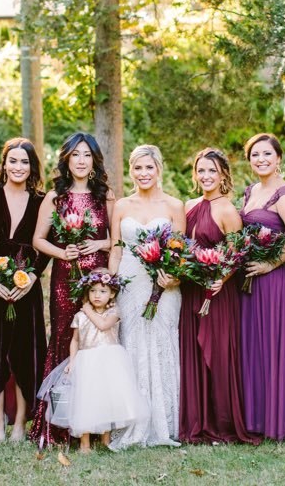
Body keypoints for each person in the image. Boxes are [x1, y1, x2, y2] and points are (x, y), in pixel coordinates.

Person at [29, 133, 113, 446]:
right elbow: (39, 239)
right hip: (66, 276)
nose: (81, 160)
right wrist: (62, 252)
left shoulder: (105, 195)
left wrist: (101, 242)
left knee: (97, 343)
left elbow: (116, 239)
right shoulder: (55, 197)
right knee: (67, 340)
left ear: (94, 160)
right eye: (75, 155)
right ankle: (58, 426)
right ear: (66, 159)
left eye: (87, 155)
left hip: (99, 278)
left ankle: (97, 425)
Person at [107, 145, 186, 450]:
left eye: (148, 168)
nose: (143, 174)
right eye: (138, 168)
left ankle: (166, 422)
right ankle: (132, 420)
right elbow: (116, 247)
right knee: (133, 344)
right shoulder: (122, 206)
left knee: (162, 343)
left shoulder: (175, 206)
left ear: (159, 169)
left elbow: (180, 250)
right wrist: (113, 285)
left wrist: (173, 275)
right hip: (130, 281)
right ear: (131, 171)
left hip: (163, 285)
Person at [0, 138, 50, 442]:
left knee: (23, 353)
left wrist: (32, 278)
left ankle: (20, 423)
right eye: (13, 161)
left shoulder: (42, 200)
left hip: (26, 288)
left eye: (25, 162)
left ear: (32, 167)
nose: (18, 167)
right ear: (4, 164)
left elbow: (43, 245)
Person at [179, 148, 259, 444]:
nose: (206, 176)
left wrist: (219, 279)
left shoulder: (227, 209)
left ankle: (222, 421)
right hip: (191, 290)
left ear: (223, 174)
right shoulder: (189, 205)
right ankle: (197, 420)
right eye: (201, 170)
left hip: (217, 293)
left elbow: (236, 254)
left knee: (218, 353)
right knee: (194, 355)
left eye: (212, 170)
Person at [239, 134, 285, 440]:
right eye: (255, 155)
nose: (261, 159)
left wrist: (271, 264)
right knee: (256, 345)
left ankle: (279, 418)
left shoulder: (284, 194)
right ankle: (256, 416)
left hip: (277, 279)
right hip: (252, 280)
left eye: (267, 153)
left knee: (276, 344)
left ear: (279, 158)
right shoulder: (251, 191)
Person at [37, 270, 149, 452]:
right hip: (86, 359)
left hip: (109, 359)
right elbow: (75, 340)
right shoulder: (79, 317)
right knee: (85, 400)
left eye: (103, 291)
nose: (97, 295)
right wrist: (73, 361)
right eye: (93, 291)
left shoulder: (114, 312)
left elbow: (103, 325)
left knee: (107, 399)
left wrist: (87, 309)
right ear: (87, 293)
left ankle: (105, 439)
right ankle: (85, 443)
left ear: (112, 293)